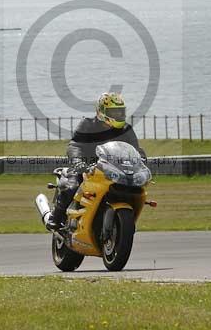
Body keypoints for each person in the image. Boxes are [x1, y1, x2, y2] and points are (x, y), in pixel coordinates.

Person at [46, 92, 146, 230]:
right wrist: (78, 162)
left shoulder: (126, 129)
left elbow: (135, 150)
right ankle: (55, 217)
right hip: (87, 167)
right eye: (114, 112)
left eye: (120, 112)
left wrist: (141, 159)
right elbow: (75, 145)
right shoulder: (88, 124)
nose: (118, 116)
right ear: (101, 112)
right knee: (72, 186)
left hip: (114, 169)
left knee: (134, 188)